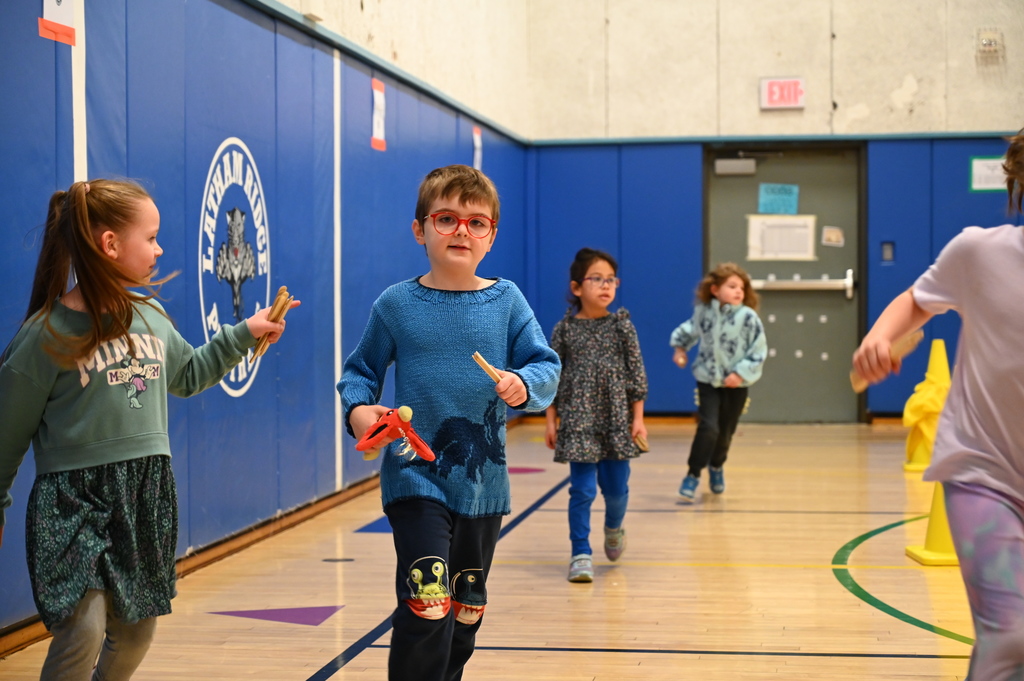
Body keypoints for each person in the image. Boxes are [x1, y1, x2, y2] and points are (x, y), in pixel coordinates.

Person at [0, 179, 296, 681]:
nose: (160, 249)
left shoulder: (151, 316)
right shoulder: (43, 336)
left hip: (142, 496)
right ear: (110, 244)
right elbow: (7, 435)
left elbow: (189, 374)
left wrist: (246, 332)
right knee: (84, 630)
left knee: (137, 632)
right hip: (73, 505)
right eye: (151, 237)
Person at [338, 165, 560, 681]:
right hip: (415, 475)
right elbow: (360, 373)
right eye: (446, 219)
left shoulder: (506, 302)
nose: (462, 230)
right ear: (420, 230)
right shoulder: (396, 305)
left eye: (476, 223)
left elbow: (545, 365)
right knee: (427, 602)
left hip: (484, 486)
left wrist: (523, 384)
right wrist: (359, 413)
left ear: (491, 237)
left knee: (464, 611)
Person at [852, 129, 1024, 681]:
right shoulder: (980, 251)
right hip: (985, 471)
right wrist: (879, 338)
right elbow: (917, 300)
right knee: (1011, 635)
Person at [544, 248, 648, 583]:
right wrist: (551, 419)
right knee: (583, 490)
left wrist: (638, 418)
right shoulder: (564, 330)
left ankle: (614, 527)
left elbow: (637, 375)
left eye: (611, 280)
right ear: (577, 288)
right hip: (578, 422)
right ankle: (580, 553)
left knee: (617, 489)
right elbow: (551, 377)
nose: (606, 286)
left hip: (616, 420)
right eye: (597, 279)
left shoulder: (622, 327)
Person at [670, 262, 766, 503]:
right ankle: (692, 474)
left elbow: (758, 350)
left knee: (725, 433)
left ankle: (716, 466)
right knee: (709, 427)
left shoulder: (748, 318)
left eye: (742, 288)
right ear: (715, 290)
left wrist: (741, 373)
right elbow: (689, 330)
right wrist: (680, 349)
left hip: (736, 386)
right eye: (732, 286)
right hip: (707, 380)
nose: (738, 292)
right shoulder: (704, 312)